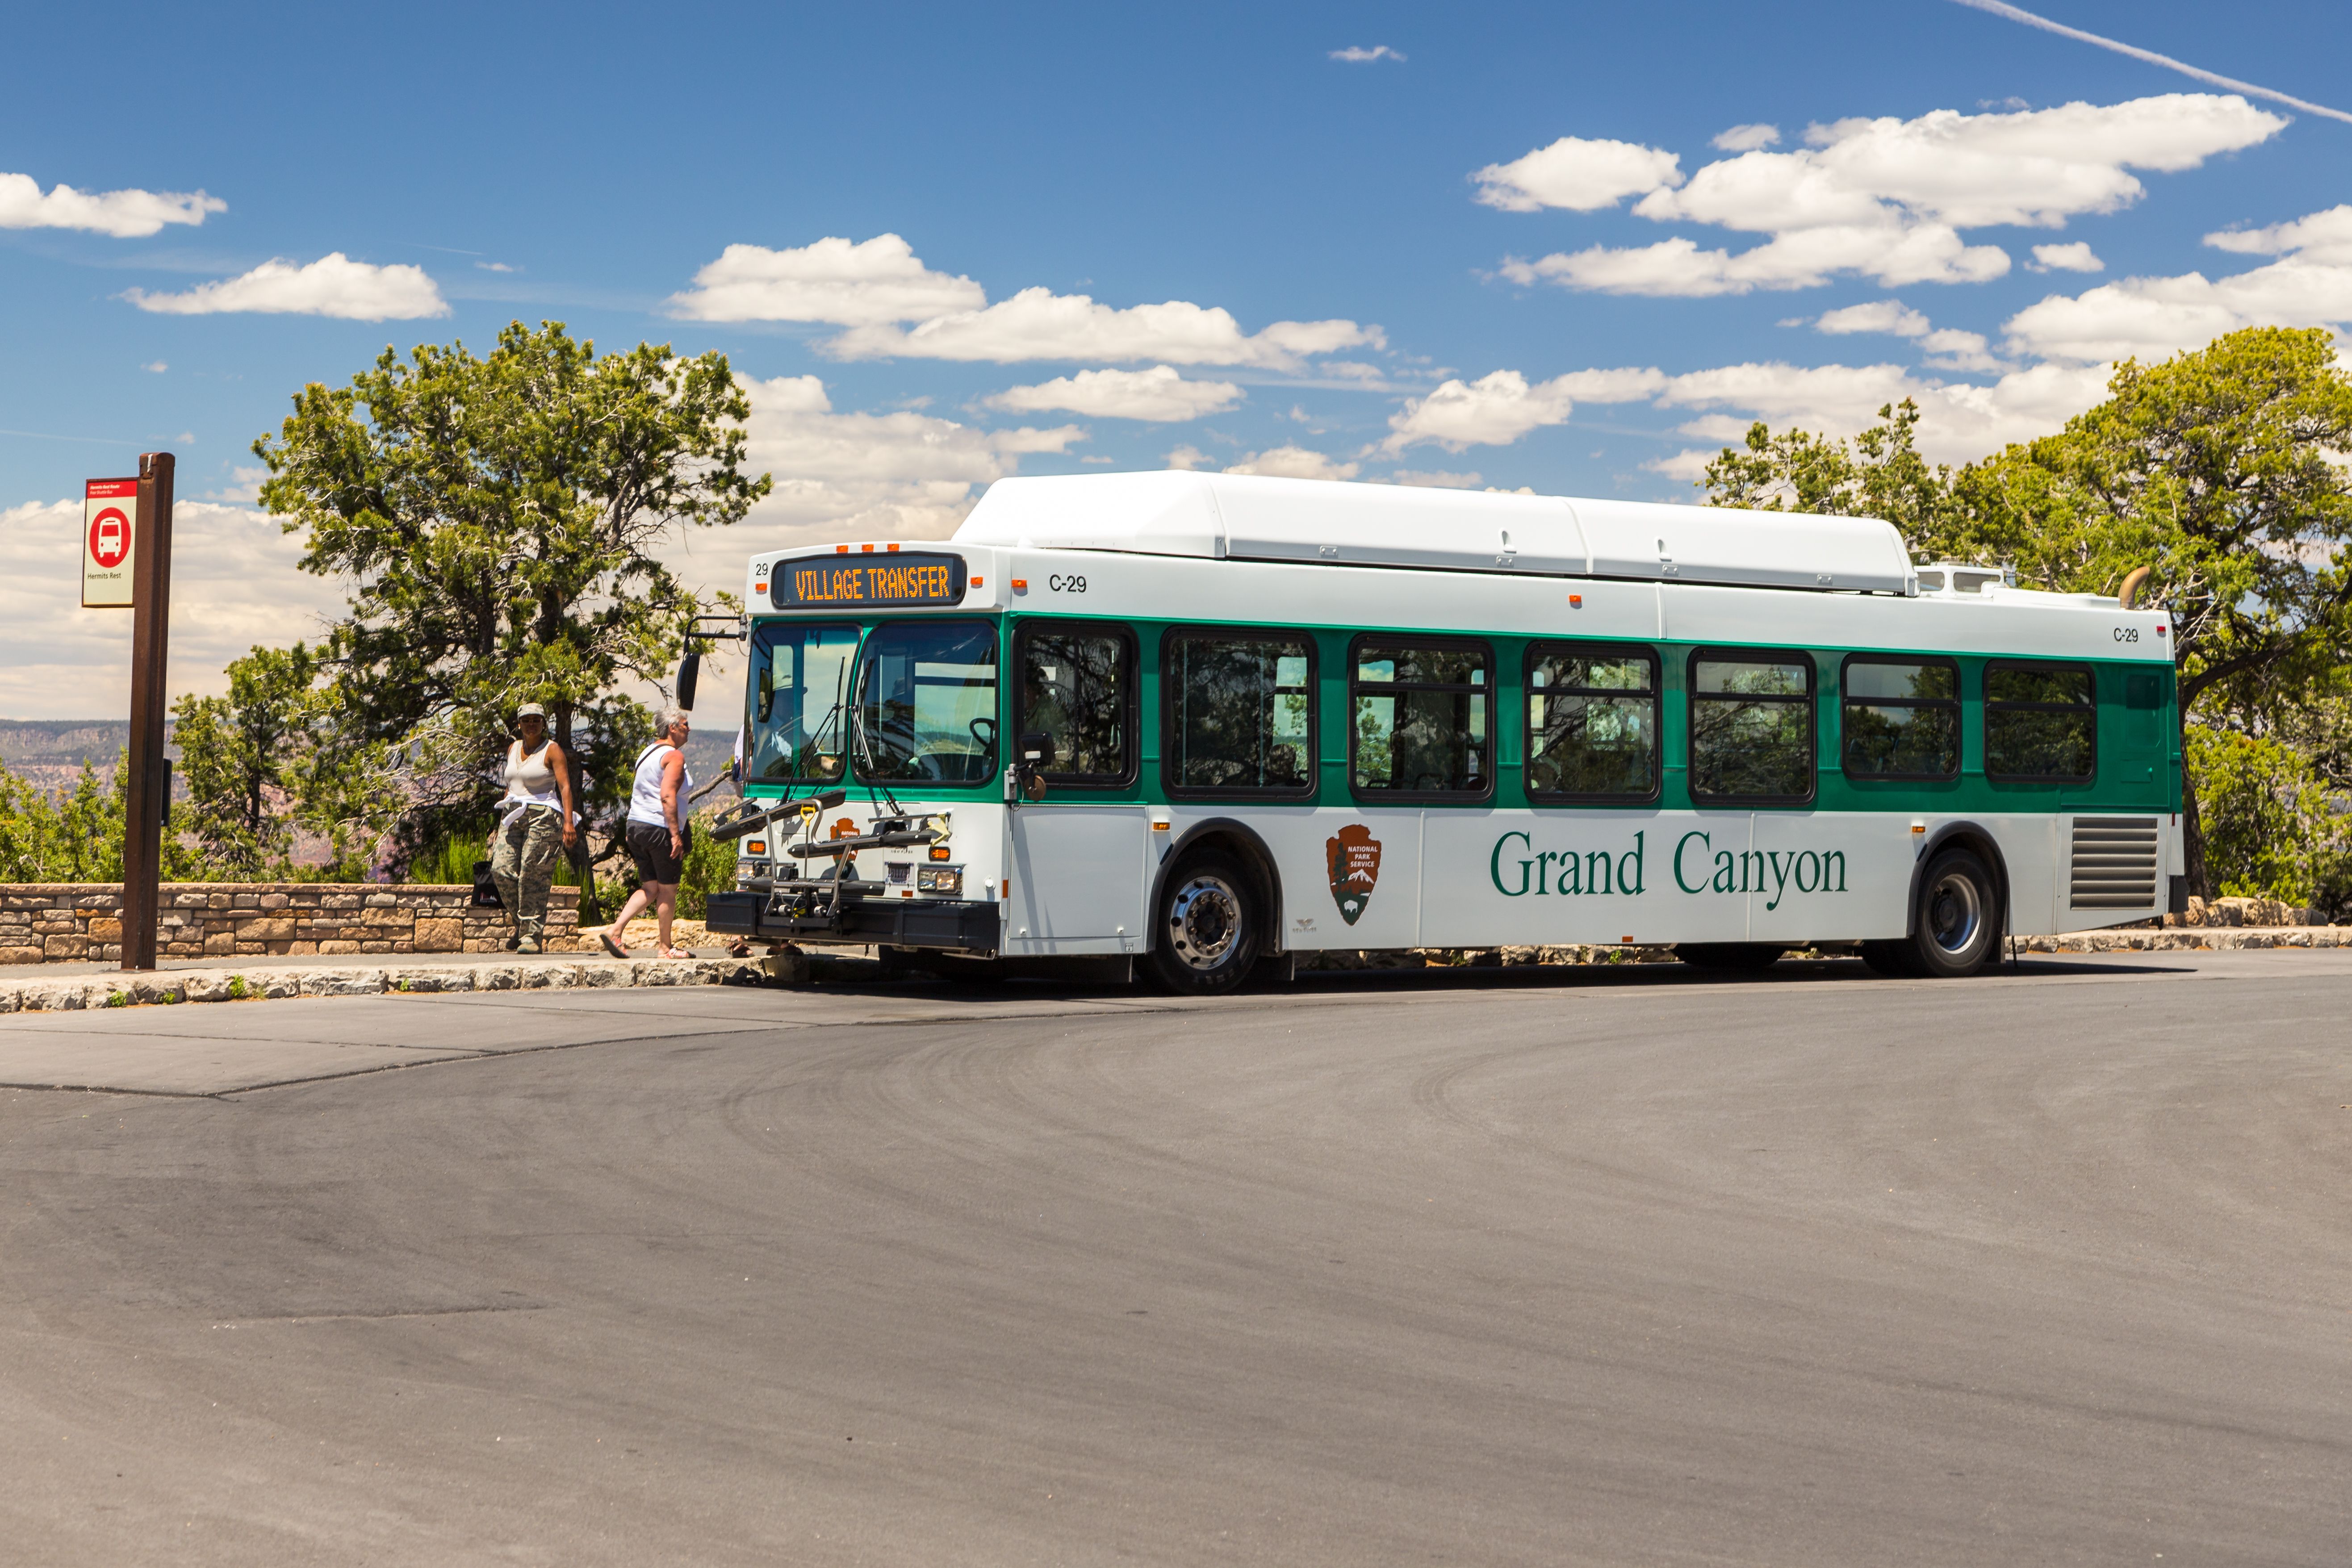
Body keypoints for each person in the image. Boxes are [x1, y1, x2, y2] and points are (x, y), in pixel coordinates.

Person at [597, 708, 694, 960]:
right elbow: (667, 795)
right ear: (672, 728)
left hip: (636, 827)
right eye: (685, 724)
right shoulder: (674, 756)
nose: (689, 729)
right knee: (668, 890)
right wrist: (675, 835)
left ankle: (615, 930)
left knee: (650, 889)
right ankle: (665, 947)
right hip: (659, 828)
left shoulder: (647, 753)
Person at [490, 702, 577, 955]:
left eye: (536, 720)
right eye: (527, 720)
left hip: (544, 815)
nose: (531, 724)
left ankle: (530, 937)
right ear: (519, 724)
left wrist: (569, 822)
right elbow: (512, 782)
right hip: (513, 813)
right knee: (501, 870)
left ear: (543, 724)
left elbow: (565, 787)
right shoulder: (514, 748)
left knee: (532, 873)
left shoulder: (552, 750)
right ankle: (522, 926)